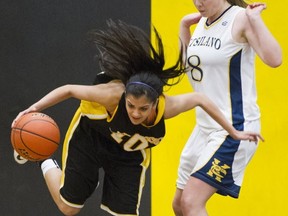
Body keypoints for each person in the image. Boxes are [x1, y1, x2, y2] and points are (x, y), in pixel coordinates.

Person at [12, 20, 262, 216]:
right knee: (69, 208)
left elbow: (202, 100)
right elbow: (67, 89)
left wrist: (234, 131)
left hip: (127, 155)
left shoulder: (167, 107)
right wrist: (32, 109)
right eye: (131, 106)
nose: (135, 113)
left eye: (143, 109)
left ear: (155, 104)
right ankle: (45, 161)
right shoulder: (112, 95)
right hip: (91, 139)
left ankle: (102, 176)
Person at [172, 1, 282, 215]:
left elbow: (275, 59)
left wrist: (255, 19)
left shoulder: (241, 17)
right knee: (179, 205)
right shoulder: (202, 21)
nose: (198, 2)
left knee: (191, 202)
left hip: (235, 128)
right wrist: (184, 29)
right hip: (204, 127)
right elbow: (190, 68)